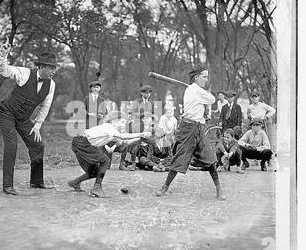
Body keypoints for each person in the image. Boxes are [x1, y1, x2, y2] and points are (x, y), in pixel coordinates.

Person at [0, 38, 57, 195]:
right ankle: (7, 185)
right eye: (50, 68)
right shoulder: (24, 73)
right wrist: (4, 56)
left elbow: (45, 106)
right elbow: (4, 71)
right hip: (7, 112)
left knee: (38, 145)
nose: (53, 71)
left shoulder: (51, 84)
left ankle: (36, 182)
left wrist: (37, 126)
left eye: (55, 68)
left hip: (23, 119)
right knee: (11, 145)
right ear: (41, 67)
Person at [155, 67, 225, 200]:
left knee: (209, 158)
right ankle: (165, 187)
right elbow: (212, 99)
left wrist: (200, 90)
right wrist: (202, 91)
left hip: (198, 128)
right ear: (196, 77)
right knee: (180, 158)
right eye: (204, 76)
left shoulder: (194, 89)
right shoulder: (195, 91)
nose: (206, 79)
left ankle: (219, 189)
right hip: (188, 129)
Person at [68, 111, 151, 198]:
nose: (124, 125)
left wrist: (140, 138)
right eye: (122, 122)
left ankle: (75, 182)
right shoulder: (109, 127)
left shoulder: (113, 132)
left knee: (94, 172)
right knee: (105, 160)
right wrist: (142, 134)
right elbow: (122, 136)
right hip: (81, 142)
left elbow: (125, 142)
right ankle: (96, 189)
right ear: (114, 121)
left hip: (79, 144)